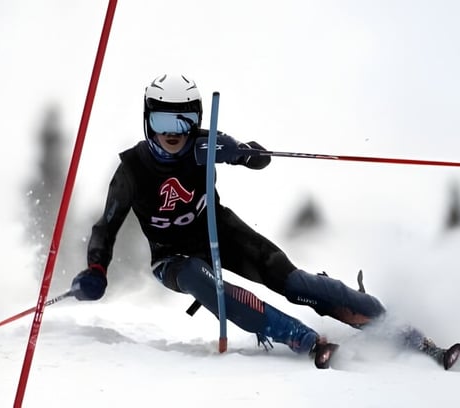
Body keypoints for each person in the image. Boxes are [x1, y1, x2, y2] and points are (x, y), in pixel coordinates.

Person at [70, 73, 458, 369]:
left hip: (217, 230)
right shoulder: (132, 170)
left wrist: (250, 155)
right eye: (164, 122)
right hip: (170, 258)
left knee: (291, 280)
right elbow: (106, 227)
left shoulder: (204, 144)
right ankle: (303, 338)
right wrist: (95, 269)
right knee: (201, 283)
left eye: (183, 122)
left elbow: (243, 151)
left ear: (196, 120)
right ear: (147, 120)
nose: (173, 134)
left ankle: (409, 336)